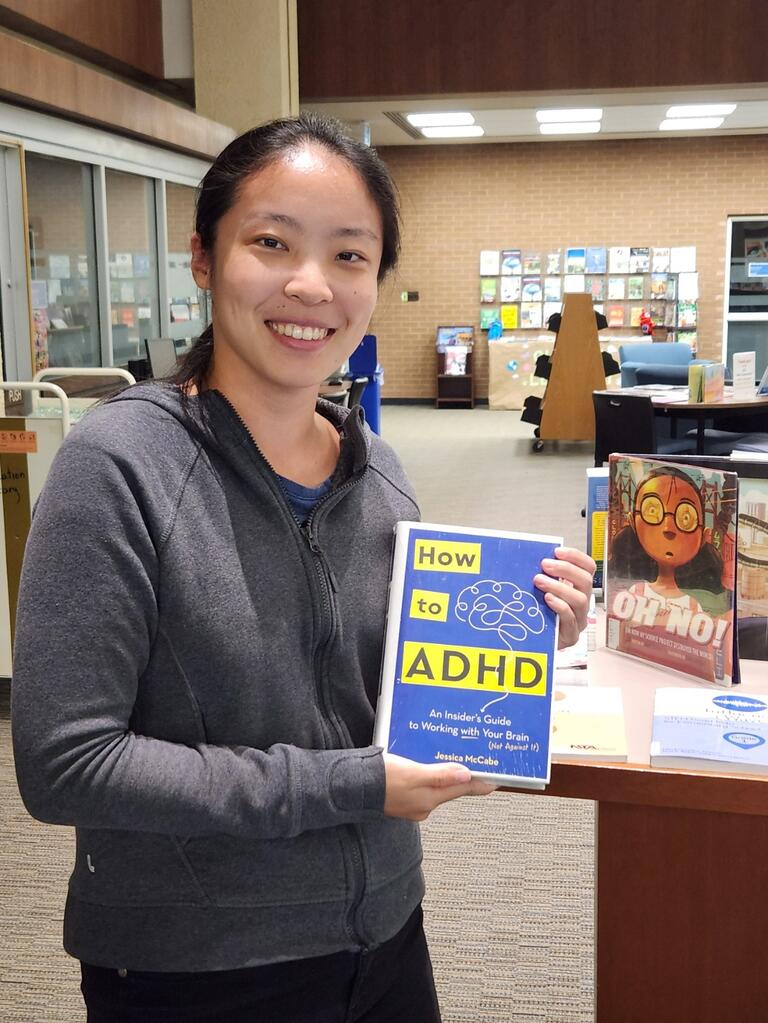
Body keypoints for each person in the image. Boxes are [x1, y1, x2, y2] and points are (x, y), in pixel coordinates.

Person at [11, 114, 595, 1023]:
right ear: (203, 258)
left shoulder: (379, 470)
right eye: (271, 242)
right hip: (197, 970)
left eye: (351, 256)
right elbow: (68, 762)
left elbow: (381, 688)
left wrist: (520, 628)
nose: (311, 285)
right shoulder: (117, 466)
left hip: (388, 934)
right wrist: (351, 784)